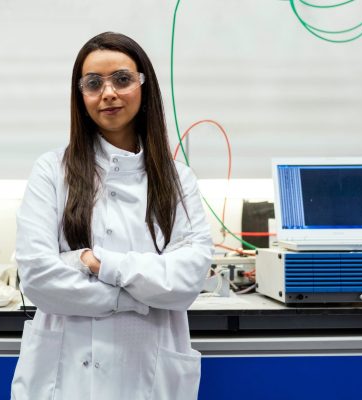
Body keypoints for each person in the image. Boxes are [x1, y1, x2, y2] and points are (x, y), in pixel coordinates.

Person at [11, 31, 213, 400]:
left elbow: (186, 281)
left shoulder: (178, 180)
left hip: (148, 376)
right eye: (93, 83)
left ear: (143, 85)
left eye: (121, 79)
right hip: (64, 377)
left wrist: (95, 262)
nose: (108, 93)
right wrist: (138, 297)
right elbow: (39, 279)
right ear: (80, 94)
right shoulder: (51, 171)